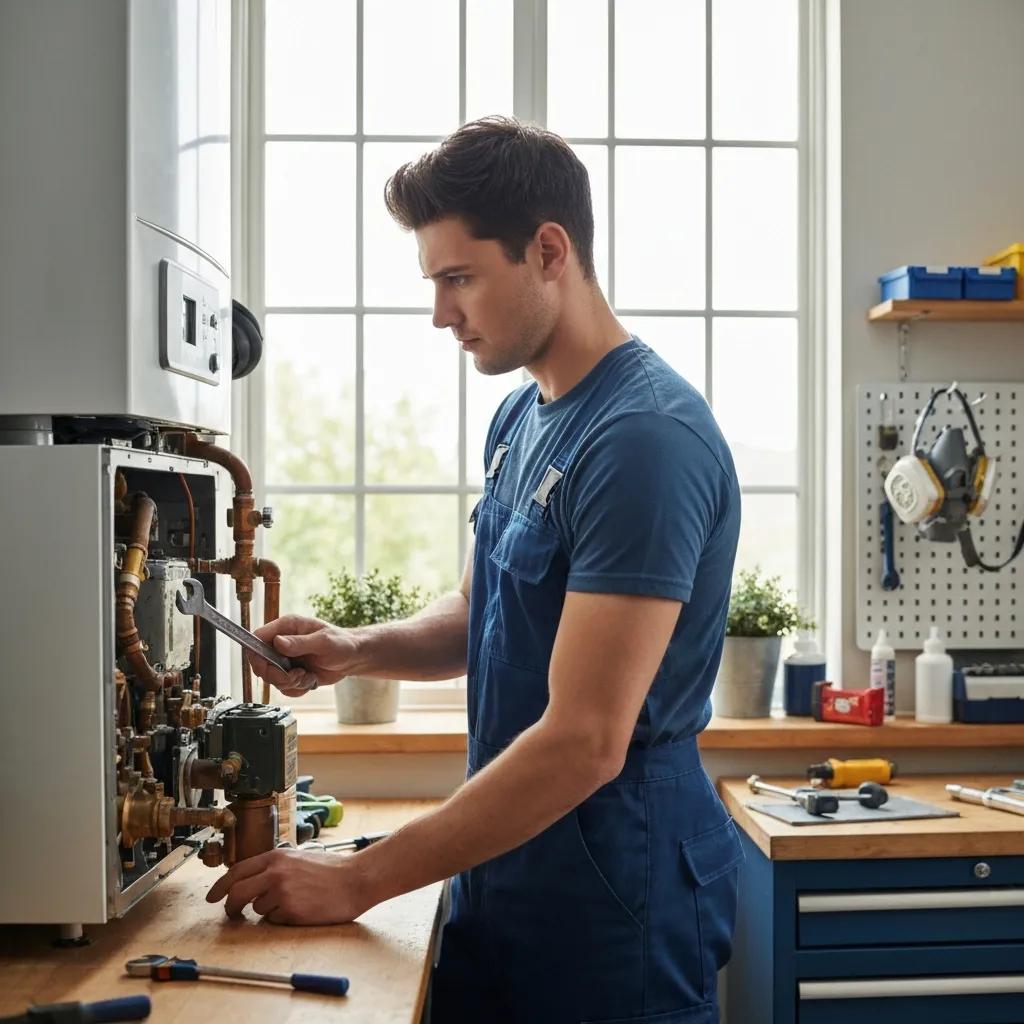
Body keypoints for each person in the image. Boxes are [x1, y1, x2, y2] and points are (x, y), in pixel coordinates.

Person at [207, 115, 743, 1024]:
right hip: (504, 870)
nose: (440, 313)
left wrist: (359, 880)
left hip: (615, 899)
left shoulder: (645, 442)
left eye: (459, 278)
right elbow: (478, 608)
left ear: (547, 250)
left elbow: (585, 739)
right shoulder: (523, 417)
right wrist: (355, 648)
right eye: (434, 281)